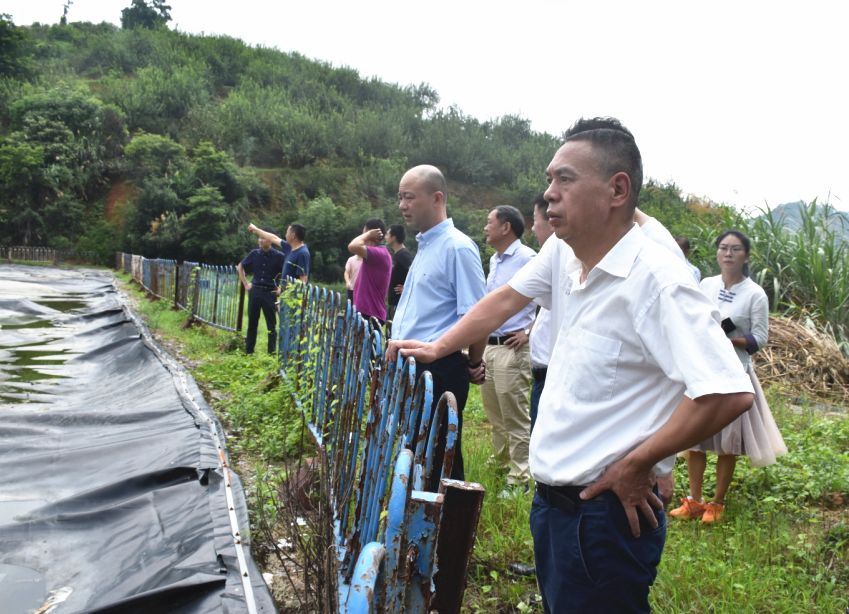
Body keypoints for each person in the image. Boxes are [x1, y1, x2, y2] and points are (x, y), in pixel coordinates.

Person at [389, 117, 754, 613]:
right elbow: (504, 299)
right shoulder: (564, 252)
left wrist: (639, 462)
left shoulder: (657, 279)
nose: (549, 194)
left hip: (605, 514)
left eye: (565, 179)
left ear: (617, 190)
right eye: (549, 179)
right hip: (555, 506)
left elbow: (727, 391)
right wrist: (438, 347)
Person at [670, 230, 787, 523]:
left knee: (728, 441)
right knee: (694, 436)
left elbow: (759, 338)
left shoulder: (755, 294)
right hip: (702, 368)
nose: (728, 253)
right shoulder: (706, 285)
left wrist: (728, 339)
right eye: (723, 248)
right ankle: (694, 501)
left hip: (736, 372)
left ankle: (716, 503)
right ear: (717, 253)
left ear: (745, 255)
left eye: (735, 249)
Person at [392, 164, 486, 484]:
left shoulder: (457, 248)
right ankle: (417, 523)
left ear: (437, 198)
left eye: (409, 197)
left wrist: (474, 361)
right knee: (416, 451)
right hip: (414, 364)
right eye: (400, 198)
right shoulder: (426, 246)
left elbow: (477, 314)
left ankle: (445, 527)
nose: (402, 205)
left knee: (440, 457)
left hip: (440, 367)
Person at [480, 205, 536, 495]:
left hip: (511, 350)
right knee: (495, 413)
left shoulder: (528, 258)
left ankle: (520, 478)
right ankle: (502, 462)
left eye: (489, 222)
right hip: (490, 346)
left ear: (506, 227)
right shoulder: (495, 260)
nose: (485, 227)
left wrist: (529, 331)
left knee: (515, 416)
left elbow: (552, 297)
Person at [237, 232, 288, 354]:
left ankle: (271, 353)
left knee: (271, 324)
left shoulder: (279, 256)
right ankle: (249, 352)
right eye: (259, 238)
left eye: (263, 238)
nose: (260, 241)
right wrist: (245, 283)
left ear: (270, 241)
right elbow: (240, 266)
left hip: (270, 292)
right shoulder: (254, 254)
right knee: (252, 322)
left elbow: (286, 273)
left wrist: (281, 288)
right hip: (255, 291)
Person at [527, 193, 553, 433]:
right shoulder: (550, 259)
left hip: (552, 375)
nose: (533, 228)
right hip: (542, 373)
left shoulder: (559, 256)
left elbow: (505, 301)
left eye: (535, 219)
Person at [348, 218, 392, 324]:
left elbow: (352, 246)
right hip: (368, 312)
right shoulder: (377, 254)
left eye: (364, 235)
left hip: (370, 314)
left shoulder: (379, 254)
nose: (362, 239)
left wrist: (367, 234)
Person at [385, 224, 413, 322]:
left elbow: (415, 273)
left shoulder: (404, 255)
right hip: (394, 303)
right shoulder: (397, 254)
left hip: (400, 304)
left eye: (388, 234)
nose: (385, 237)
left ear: (394, 237)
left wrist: (407, 289)